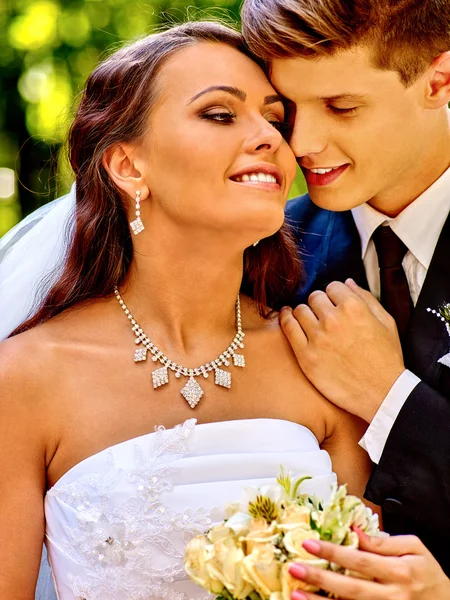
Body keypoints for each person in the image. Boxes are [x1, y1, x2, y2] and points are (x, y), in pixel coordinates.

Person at [0, 21, 375, 600]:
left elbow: (369, 579)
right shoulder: (26, 379)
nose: (273, 140)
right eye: (221, 114)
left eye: (275, 120)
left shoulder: (322, 355)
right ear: (128, 166)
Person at [240, 0, 450, 595]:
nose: (301, 143)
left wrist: (387, 398)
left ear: (438, 81)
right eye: (287, 108)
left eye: (342, 106)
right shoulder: (256, 256)